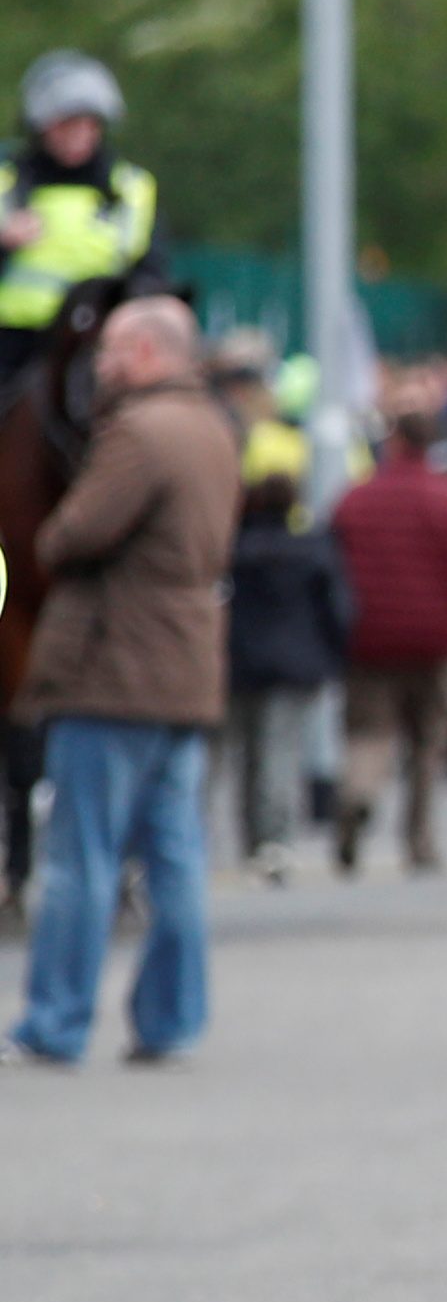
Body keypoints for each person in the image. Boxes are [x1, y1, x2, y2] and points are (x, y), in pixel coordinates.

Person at [16, 298, 233, 1062]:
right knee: (175, 857)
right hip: (186, 668)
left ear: (145, 352)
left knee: (82, 856)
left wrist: (53, 532)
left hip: (115, 667)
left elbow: (70, 535)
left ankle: (56, 1020)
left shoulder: (138, 433)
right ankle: (171, 1017)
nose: (102, 364)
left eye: (111, 349)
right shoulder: (213, 426)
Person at [329, 421, 447, 876]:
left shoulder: (355, 500)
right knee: (429, 743)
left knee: (369, 733)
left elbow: (331, 569)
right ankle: (419, 838)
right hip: (440, 639)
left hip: (369, 639)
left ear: (393, 443)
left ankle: (359, 796)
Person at [0, 51, 161, 395]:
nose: (80, 135)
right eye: (67, 124)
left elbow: (151, 272)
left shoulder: (131, 190)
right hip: (14, 347)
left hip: (99, 346)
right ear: (40, 125)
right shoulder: (5, 186)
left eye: (89, 124)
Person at [221, 471, 350, 879]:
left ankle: (250, 838)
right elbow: (338, 608)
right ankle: (276, 840)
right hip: (294, 663)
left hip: (239, 662)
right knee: (279, 753)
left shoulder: (235, 551)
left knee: (243, 755)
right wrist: (333, 654)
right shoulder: (311, 550)